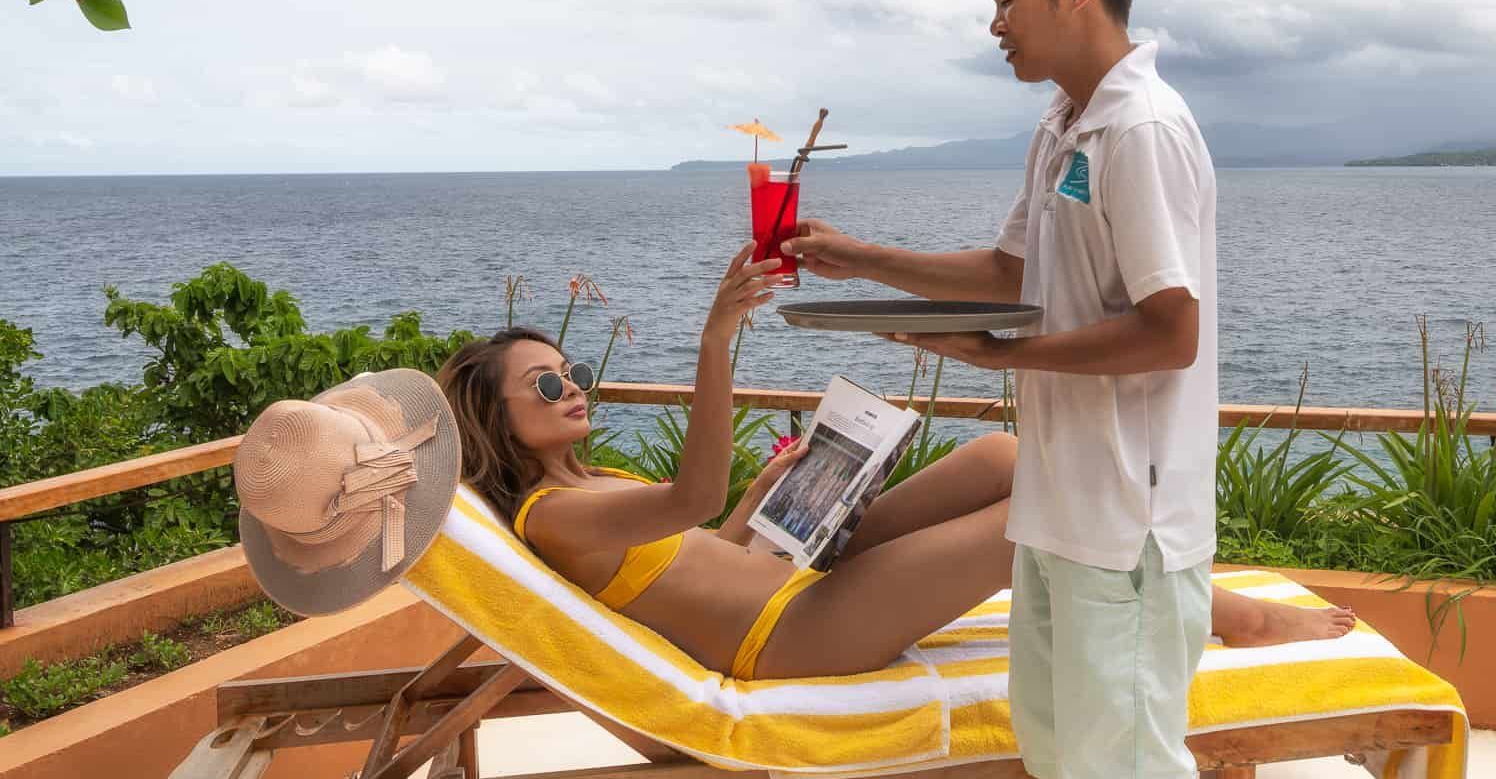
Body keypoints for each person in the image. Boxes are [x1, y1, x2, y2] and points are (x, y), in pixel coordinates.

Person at [780, 0, 1241, 779]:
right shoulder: (1065, 130)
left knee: (1140, 761)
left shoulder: (1140, 132)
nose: (995, 23)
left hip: (1129, 520)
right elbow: (1007, 270)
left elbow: (1170, 329)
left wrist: (1008, 354)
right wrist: (858, 259)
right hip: (1063, 505)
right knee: (1092, 757)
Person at [435, 242, 1349, 688]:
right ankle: (1233, 618)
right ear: (497, 420)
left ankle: (1172, 602)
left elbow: (697, 545)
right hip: (793, 635)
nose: (572, 387)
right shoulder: (550, 518)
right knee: (1028, 520)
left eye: (575, 371)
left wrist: (771, 493)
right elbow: (693, 494)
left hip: (784, 575)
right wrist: (716, 339)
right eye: (547, 382)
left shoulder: (586, 492)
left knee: (1000, 454)